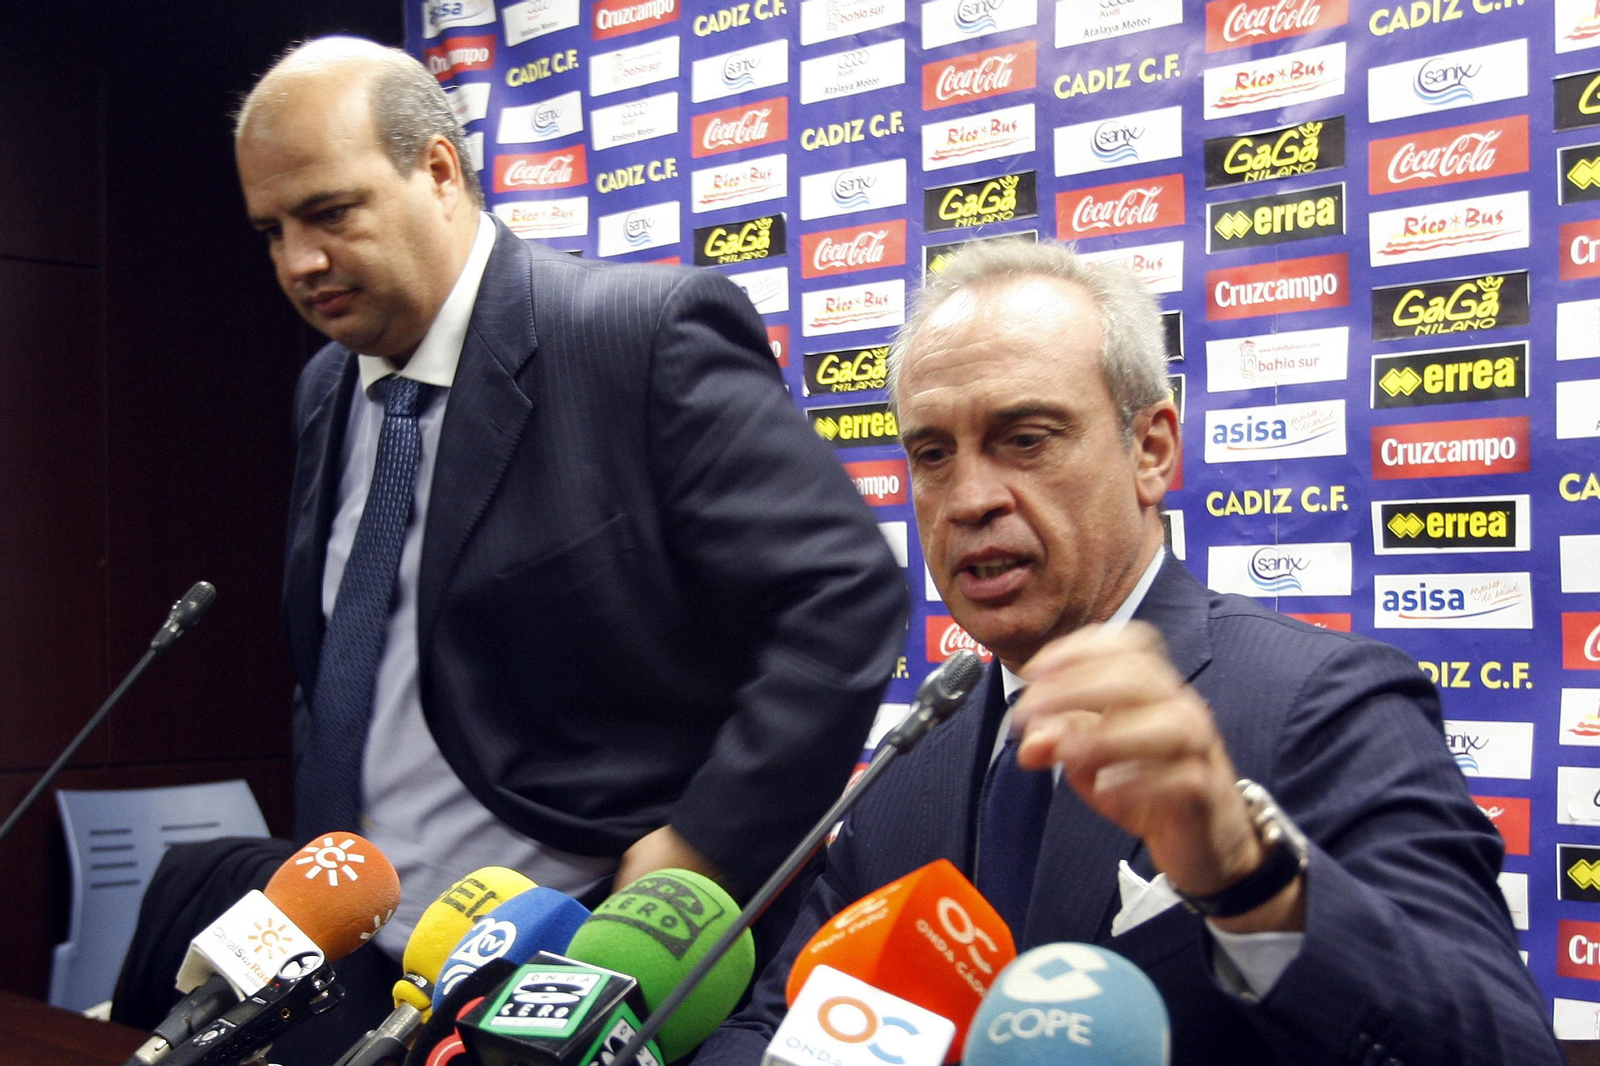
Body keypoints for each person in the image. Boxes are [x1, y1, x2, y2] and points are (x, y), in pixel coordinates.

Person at [693, 241, 1561, 1066]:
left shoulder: (1317, 703)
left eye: (1025, 439)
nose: (969, 500)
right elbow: (777, 1022)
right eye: (932, 454)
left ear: (1150, 450)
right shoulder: (912, 769)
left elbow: (1500, 1047)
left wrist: (1248, 878)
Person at [227, 35, 904, 1030]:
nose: (299, 261)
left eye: (329, 212)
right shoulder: (327, 384)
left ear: (439, 171)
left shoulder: (639, 336)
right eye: (271, 230)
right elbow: (345, 660)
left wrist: (701, 847)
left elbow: (841, 593)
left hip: (574, 957)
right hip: (359, 966)